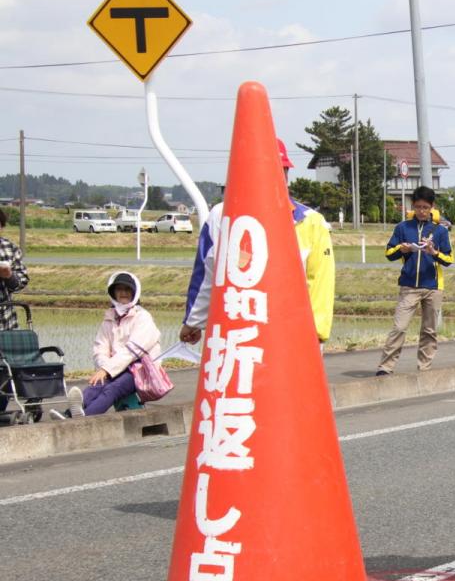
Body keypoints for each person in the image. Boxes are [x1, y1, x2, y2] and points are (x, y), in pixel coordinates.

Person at [180, 139, 334, 345]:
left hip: (288, 335)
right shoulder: (221, 215)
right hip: (240, 333)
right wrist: (194, 322)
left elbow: (320, 283)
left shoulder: (311, 221)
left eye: (281, 172)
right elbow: (208, 273)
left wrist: (316, 334)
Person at [376, 185, 453, 374]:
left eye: (425, 207)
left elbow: (449, 259)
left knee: (429, 330)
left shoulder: (440, 231)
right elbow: (389, 253)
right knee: (399, 327)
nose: (421, 211)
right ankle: (385, 367)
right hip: (408, 285)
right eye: (418, 207)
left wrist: (433, 252)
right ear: (413, 206)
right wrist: (401, 249)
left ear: (432, 207)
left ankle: (424, 368)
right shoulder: (402, 227)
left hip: (433, 286)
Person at [64, 271, 161, 418]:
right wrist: (104, 368)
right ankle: (67, 415)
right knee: (97, 385)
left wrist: (107, 370)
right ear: (113, 293)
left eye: (127, 290)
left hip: (140, 370)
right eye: (119, 289)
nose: (123, 293)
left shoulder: (143, 318)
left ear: (134, 293)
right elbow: (100, 348)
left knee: (112, 389)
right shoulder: (109, 318)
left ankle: (83, 418)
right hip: (115, 368)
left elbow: (132, 351)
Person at [0, 208, 30, 415]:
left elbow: (21, 282)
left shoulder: (9, 248)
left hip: (5, 321)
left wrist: (8, 276)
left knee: (5, 370)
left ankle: (2, 409)